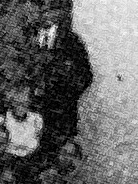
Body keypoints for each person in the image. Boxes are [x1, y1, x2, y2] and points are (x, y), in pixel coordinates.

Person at [31, 15, 95, 157]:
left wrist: (65, 92)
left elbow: (85, 75)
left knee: (58, 151)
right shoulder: (31, 35)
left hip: (61, 112)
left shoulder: (70, 41)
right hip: (34, 109)